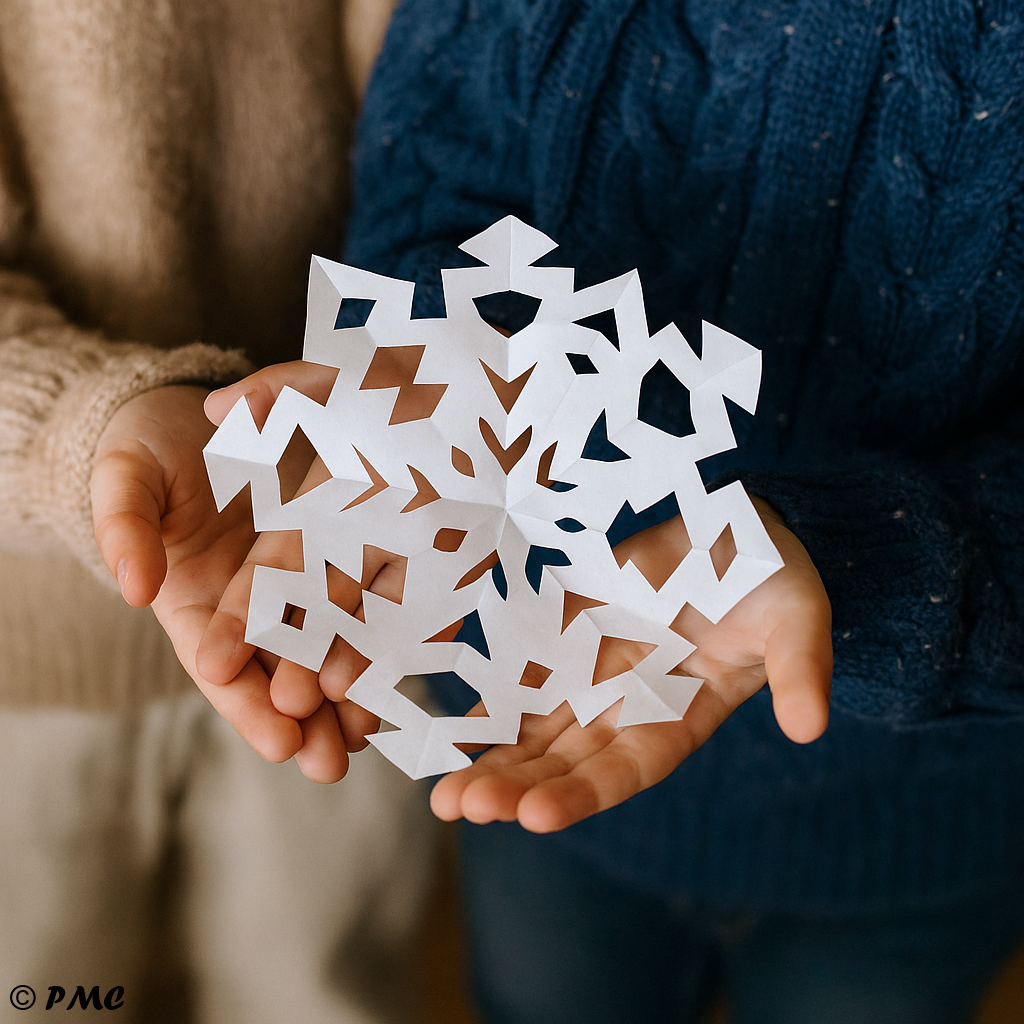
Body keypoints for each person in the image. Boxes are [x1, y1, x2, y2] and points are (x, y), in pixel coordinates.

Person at [191, 1, 1024, 1022]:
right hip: (540, 716)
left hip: (925, 830)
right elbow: (442, 161)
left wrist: (860, 557)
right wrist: (444, 353)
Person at [0, 3, 438, 1023]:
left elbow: (471, 163)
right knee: (41, 989)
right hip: (29, 658)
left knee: (321, 992)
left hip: (354, 591)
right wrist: (90, 427)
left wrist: (417, 425)